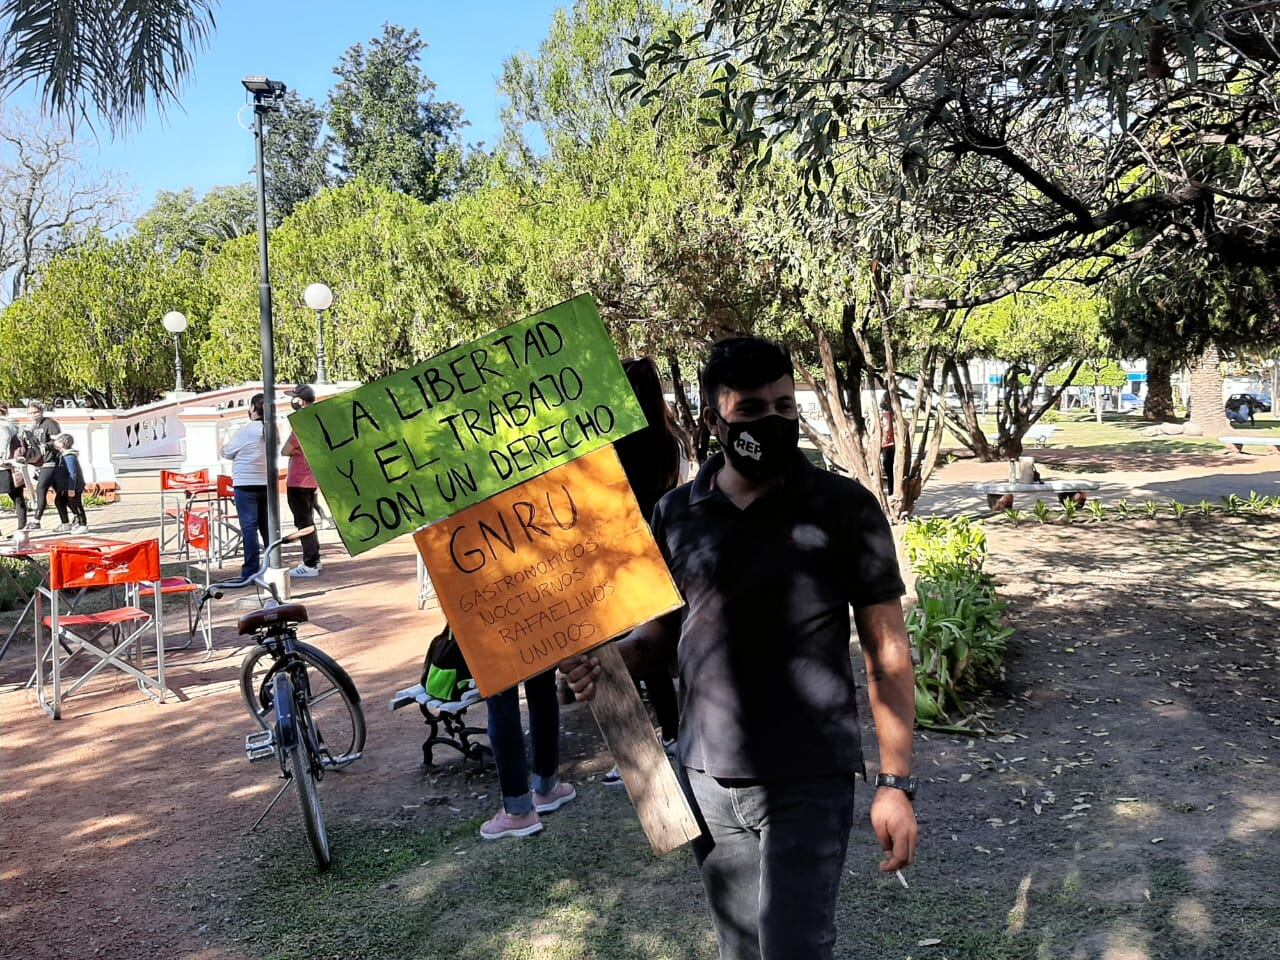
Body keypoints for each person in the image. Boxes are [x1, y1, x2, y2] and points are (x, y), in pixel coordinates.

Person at [561, 337, 919, 960]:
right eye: (751, 410)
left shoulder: (845, 508)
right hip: (705, 777)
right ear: (714, 418)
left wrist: (896, 784)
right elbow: (657, 639)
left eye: (783, 406)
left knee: (792, 949)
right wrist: (604, 664)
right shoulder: (675, 513)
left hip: (808, 777)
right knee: (740, 949)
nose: (772, 422)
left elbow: (887, 654)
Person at [599, 357, 683, 786]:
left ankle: (632, 752)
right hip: (661, 553)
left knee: (622, 650)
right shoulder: (672, 443)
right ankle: (672, 732)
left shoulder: (615, 445)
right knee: (656, 642)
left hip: (619, 557)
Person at [479, 668, 577, 840]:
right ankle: (547, 787)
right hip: (532, 642)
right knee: (542, 686)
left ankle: (518, 811)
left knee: (500, 700)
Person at [221, 393, 269, 584]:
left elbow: (226, 452)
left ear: (252, 409)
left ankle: (250, 570)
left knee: (249, 528)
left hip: (245, 484)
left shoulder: (245, 431)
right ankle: (272, 565)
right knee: (267, 527)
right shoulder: (271, 430)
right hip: (266, 483)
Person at [281, 385, 322, 579]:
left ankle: (310, 563)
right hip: (311, 479)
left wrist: (296, 451)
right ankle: (315, 559)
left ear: (300, 401)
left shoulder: (300, 425)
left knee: (303, 522)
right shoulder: (317, 421)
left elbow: (284, 450)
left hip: (298, 480)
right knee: (309, 520)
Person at [25, 401, 65, 530]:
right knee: (60, 494)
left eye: (35, 412)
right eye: (30, 413)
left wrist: (46, 445)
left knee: (41, 489)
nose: (33, 415)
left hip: (51, 462)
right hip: (41, 463)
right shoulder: (33, 427)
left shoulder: (50, 424)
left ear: (41, 411)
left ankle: (36, 521)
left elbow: (59, 442)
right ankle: (66, 522)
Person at [0, 406, 28, 534]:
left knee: (17, 497)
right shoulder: (13, 425)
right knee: (18, 497)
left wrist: (2, 456)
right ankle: (22, 527)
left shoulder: (4, 425)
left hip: (4, 465)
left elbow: (4, 440)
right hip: (13, 465)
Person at [52, 434, 88, 533]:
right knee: (59, 501)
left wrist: (71, 489)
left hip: (73, 486)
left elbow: (73, 473)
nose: (56, 442)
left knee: (76, 504)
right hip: (64, 486)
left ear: (63, 443)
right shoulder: (61, 455)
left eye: (58, 441)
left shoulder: (69, 456)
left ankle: (83, 525)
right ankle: (65, 524)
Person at [879, 393, 896, 487]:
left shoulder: (886, 415)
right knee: (893, 471)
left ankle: (891, 491)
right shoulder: (894, 415)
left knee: (889, 471)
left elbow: (887, 429)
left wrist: (883, 442)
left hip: (888, 445)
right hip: (894, 444)